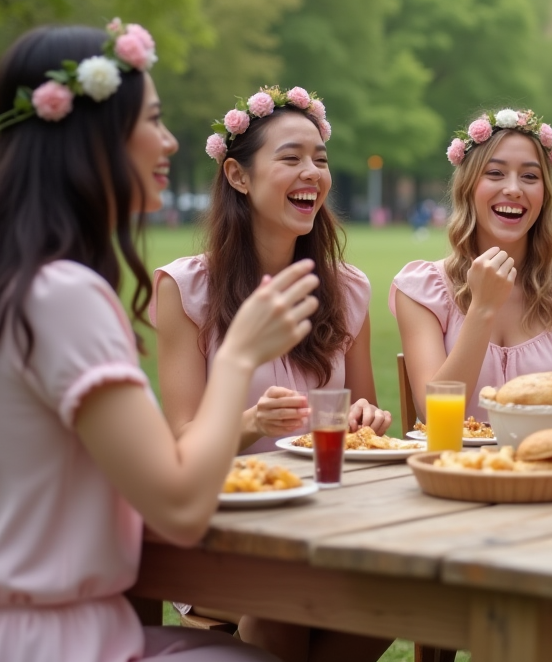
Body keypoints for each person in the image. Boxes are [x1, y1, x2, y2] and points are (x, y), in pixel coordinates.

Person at [0, 21, 314, 661]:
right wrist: (237, 358)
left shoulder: (2, 285)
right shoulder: (63, 296)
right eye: (153, 119)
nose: (170, 141)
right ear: (93, 139)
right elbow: (178, 504)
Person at [154, 86, 392, 662]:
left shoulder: (349, 290)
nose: (311, 172)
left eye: (320, 160)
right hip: (223, 527)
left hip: (323, 525)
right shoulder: (187, 290)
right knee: (286, 606)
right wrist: (249, 420)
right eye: (290, 158)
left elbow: (368, 427)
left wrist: (367, 420)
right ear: (238, 175)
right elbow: (180, 442)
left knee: (388, 606)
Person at [392, 109, 552, 434]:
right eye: (495, 173)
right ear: (468, 187)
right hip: (459, 477)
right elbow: (435, 416)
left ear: (545, 195)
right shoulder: (422, 290)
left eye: (529, 176)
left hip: (550, 477)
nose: (513, 189)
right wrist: (481, 309)